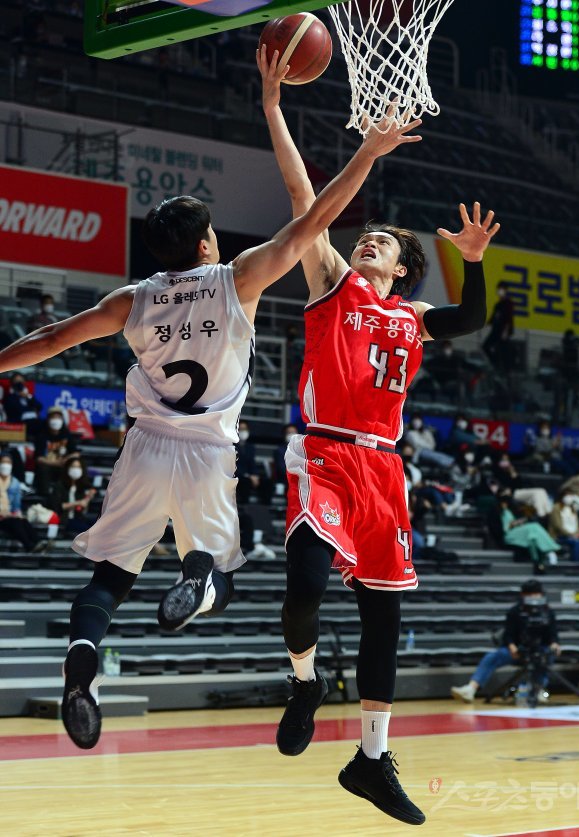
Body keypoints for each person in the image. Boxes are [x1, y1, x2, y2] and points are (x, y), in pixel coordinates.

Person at [0, 103, 418, 751]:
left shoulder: (132, 298)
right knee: (219, 574)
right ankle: (199, 581)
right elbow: (314, 215)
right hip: (206, 452)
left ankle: (83, 657)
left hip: (143, 446)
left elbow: (52, 337)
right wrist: (366, 150)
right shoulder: (236, 279)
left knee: (109, 577)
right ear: (204, 245)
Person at [259, 47, 499, 826]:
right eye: (366, 237)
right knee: (305, 583)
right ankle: (304, 680)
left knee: (383, 618)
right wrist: (274, 108)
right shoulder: (332, 281)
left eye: (384, 243)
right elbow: (304, 197)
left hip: (384, 470)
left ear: (403, 268)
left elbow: (470, 318)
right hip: (325, 451)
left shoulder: (413, 316)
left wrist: (473, 263)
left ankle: (370, 758)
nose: (370, 242)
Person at [451, 579, 560, 703]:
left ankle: (537, 689)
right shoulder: (515, 611)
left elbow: (553, 635)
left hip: (540, 650)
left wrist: (555, 644)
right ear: (523, 595)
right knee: (492, 657)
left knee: (546, 657)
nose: (533, 597)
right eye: (529, 594)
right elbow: (508, 635)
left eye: (536, 594)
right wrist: (512, 647)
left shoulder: (548, 612)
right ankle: (471, 689)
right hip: (517, 650)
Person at [488, 489, 560, 573]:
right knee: (533, 527)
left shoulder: (512, 508)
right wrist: (511, 525)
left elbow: (521, 518)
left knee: (532, 538)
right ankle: (552, 548)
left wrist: (519, 522)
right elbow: (497, 529)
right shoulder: (494, 510)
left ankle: (538, 564)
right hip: (507, 535)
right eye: (504, 493)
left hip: (519, 532)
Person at [0, 450, 48, 552]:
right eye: (3, 462)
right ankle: (29, 546)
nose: (5, 465)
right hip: (2, 517)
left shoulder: (15, 482)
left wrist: (16, 514)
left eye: (8, 463)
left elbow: (16, 505)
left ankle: (38, 542)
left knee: (23, 521)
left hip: (9, 515)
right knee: (15, 522)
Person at [34, 407, 78, 496]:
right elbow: (38, 458)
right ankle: (45, 496)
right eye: (53, 417)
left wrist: (66, 460)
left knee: (74, 466)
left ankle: (71, 493)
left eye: (58, 418)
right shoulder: (41, 435)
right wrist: (54, 463)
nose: (56, 420)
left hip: (62, 465)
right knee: (43, 469)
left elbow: (76, 453)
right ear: (48, 420)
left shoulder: (66, 434)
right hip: (47, 465)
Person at [50, 454, 97, 535]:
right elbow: (58, 506)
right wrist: (78, 503)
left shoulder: (81, 485)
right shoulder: (59, 485)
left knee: (98, 524)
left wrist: (90, 495)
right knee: (88, 529)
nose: (76, 470)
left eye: (78, 467)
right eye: (73, 467)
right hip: (65, 519)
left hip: (78, 517)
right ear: (67, 468)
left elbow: (93, 489)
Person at [235, 419, 273, 505]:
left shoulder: (250, 447)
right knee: (245, 482)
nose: (243, 431)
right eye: (241, 429)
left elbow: (252, 464)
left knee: (267, 482)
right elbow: (233, 466)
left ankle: (266, 506)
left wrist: (255, 475)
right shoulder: (231, 446)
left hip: (250, 476)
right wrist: (248, 476)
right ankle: (244, 506)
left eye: (245, 429)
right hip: (238, 476)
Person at [548, 491, 579, 563]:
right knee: (576, 542)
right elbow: (557, 526)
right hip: (559, 535)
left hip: (573, 535)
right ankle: (574, 564)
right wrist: (572, 535)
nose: (569, 497)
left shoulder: (573, 508)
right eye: (567, 495)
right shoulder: (556, 508)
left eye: (571, 495)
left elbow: (577, 524)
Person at [481, 280, 513, 369]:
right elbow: (493, 317)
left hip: (503, 331)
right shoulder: (498, 305)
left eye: (502, 289)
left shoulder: (508, 303)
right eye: (499, 289)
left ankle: (503, 368)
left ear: (506, 290)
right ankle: (495, 364)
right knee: (485, 346)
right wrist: (485, 324)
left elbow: (509, 319)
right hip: (495, 330)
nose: (500, 291)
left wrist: (505, 331)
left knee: (502, 351)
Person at [3, 372, 43, 436]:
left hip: (33, 421)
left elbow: (39, 406)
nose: (19, 382)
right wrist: (19, 395)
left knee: (43, 424)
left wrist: (27, 397)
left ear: (25, 382)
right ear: (12, 383)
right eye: (16, 380)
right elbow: (16, 410)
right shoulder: (10, 398)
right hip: (19, 422)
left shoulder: (28, 396)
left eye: (21, 380)